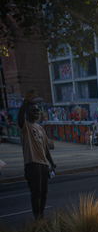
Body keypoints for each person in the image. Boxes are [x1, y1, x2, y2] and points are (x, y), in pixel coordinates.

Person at [18, 88, 56, 219]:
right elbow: (19, 117)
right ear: (27, 113)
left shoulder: (39, 128)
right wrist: (25, 102)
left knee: (44, 192)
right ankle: (37, 217)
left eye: (37, 111)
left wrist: (52, 163)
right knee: (36, 193)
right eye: (33, 111)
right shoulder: (25, 126)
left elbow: (45, 148)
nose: (36, 113)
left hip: (43, 165)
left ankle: (41, 214)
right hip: (32, 164)